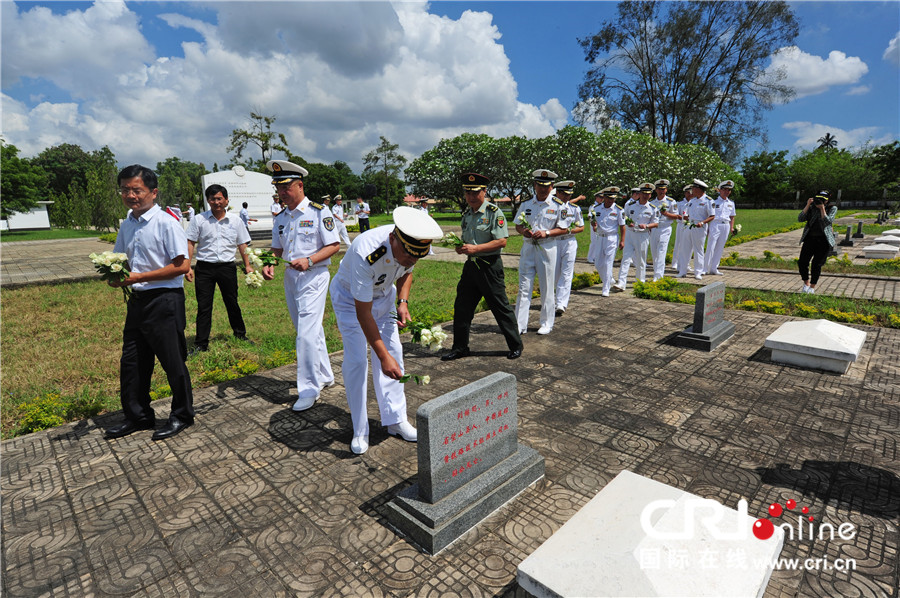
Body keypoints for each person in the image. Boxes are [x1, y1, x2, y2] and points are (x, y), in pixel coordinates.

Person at [329, 206, 443, 454]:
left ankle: (395, 420)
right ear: (393, 238)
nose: (412, 260)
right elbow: (363, 313)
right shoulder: (366, 251)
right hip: (350, 301)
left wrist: (403, 301)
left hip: (384, 297)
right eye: (408, 255)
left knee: (395, 353)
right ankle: (360, 429)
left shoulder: (409, 247)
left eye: (417, 256)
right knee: (358, 360)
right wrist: (382, 356)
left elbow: (407, 271)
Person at [105, 165, 194, 441]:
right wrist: (114, 274)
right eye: (125, 190)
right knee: (132, 361)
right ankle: (138, 416)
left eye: (137, 190)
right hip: (138, 300)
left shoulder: (166, 222)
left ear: (153, 193)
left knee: (172, 361)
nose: (130, 195)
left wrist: (138, 276)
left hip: (164, 300)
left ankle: (182, 415)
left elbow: (181, 265)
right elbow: (121, 259)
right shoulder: (127, 223)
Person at [261, 160, 340, 411]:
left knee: (305, 332)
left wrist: (309, 260)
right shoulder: (282, 217)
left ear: (300, 185)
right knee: (309, 329)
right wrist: (268, 263)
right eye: (278, 188)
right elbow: (276, 247)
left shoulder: (318, 212)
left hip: (315, 276)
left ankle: (309, 388)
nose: (282, 193)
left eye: (286, 187)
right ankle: (326, 375)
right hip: (291, 278)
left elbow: (334, 246)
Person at [442, 173, 523, 362]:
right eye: (467, 192)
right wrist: (461, 247)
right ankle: (460, 347)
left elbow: (501, 241)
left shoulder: (494, 213)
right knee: (462, 307)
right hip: (471, 266)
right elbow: (467, 240)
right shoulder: (467, 214)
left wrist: (476, 248)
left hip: (489, 266)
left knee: (500, 307)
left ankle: (515, 345)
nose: (470, 196)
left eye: (475, 192)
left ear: (484, 191)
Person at [185, 184, 253, 353]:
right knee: (204, 305)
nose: (216, 202)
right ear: (208, 201)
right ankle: (201, 343)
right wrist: (187, 266)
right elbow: (190, 242)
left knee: (232, 302)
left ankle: (240, 334)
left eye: (219, 198)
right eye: (212, 199)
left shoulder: (236, 221)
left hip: (227, 267)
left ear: (226, 200)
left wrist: (248, 265)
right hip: (204, 269)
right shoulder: (199, 220)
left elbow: (242, 244)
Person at [514, 169, 567, 335]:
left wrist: (547, 233)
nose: (543, 189)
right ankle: (519, 324)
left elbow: (564, 229)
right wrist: (524, 231)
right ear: (534, 186)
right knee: (524, 287)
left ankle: (546, 323)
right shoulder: (526, 204)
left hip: (547, 247)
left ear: (551, 187)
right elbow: (518, 225)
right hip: (528, 246)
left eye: (546, 186)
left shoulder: (558, 206)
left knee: (546, 286)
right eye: (539, 185)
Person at [614, 182, 659, 290]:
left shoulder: (653, 208)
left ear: (650, 195)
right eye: (643, 193)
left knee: (641, 259)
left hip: (643, 235)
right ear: (639, 194)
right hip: (630, 234)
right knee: (626, 258)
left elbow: (656, 223)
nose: (645, 195)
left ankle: (640, 282)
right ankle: (621, 282)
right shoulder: (630, 205)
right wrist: (627, 222)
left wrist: (647, 225)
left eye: (647, 194)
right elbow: (624, 217)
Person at [552, 180, 585, 316]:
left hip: (569, 242)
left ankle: (561, 303)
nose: (567, 197)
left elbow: (581, 227)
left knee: (566, 273)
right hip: (554, 242)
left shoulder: (574, 208)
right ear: (558, 193)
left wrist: (570, 231)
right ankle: (554, 299)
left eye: (569, 195)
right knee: (555, 273)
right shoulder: (551, 207)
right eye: (564, 194)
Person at [797, 190, 837, 294]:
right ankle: (806, 283)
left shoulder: (832, 208)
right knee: (802, 262)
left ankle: (812, 287)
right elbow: (800, 218)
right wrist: (807, 205)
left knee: (816, 264)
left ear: (827, 200)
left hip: (823, 240)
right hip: (810, 239)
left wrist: (822, 209)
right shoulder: (811, 208)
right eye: (819, 198)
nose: (820, 201)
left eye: (823, 199)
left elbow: (828, 221)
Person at [590, 187, 626, 297]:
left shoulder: (619, 210)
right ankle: (609, 279)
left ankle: (605, 288)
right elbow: (593, 221)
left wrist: (622, 240)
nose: (611, 201)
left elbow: (622, 226)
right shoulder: (596, 208)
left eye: (613, 199)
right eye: (609, 198)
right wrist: (593, 224)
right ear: (604, 197)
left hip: (612, 238)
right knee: (598, 263)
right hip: (600, 237)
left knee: (608, 263)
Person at [676, 179, 714, 280]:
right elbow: (687, 214)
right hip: (689, 225)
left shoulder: (708, 201)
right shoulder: (692, 201)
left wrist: (702, 222)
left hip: (699, 227)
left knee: (698, 250)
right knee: (685, 249)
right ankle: (682, 271)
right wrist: (685, 218)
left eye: (693, 188)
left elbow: (712, 216)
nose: (692, 190)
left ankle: (698, 272)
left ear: (699, 189)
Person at [704, 180, 737, 276]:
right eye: (725, 190)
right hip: (715, 224)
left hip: (726, 225)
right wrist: (707, 228)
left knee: (720, 247)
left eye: (729, 190)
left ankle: (714, 268)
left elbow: (732, 217)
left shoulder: (731, 203)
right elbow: (709, 215)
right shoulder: (713, 202)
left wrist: (732, 228)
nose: (727, 192)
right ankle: (705, 268)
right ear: (720, 190)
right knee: (711, 246)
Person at [649, 179, 678, 281]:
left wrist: (666, 214)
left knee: (661, 251)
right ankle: (656, 271)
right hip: (654, 229)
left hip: (665, 228)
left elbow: (676, 216)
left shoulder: (671, 201)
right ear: (656, 190)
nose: (662, 191)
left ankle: (658, 276)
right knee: (654, 253)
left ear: (666, 190)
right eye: (660, 189)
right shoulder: (652, 203)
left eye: (664, 189)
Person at [671, 184, 693, 273]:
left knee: (690, 245)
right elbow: (677, 215)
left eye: (691, 193)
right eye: (688, 193)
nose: (690, 194)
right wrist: (684, 217)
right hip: (681, 225)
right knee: (679, 244)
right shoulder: (680, 203)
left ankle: (686, 263)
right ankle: (675, 263)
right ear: (685, 193)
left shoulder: (694, 203)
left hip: (691, 225)